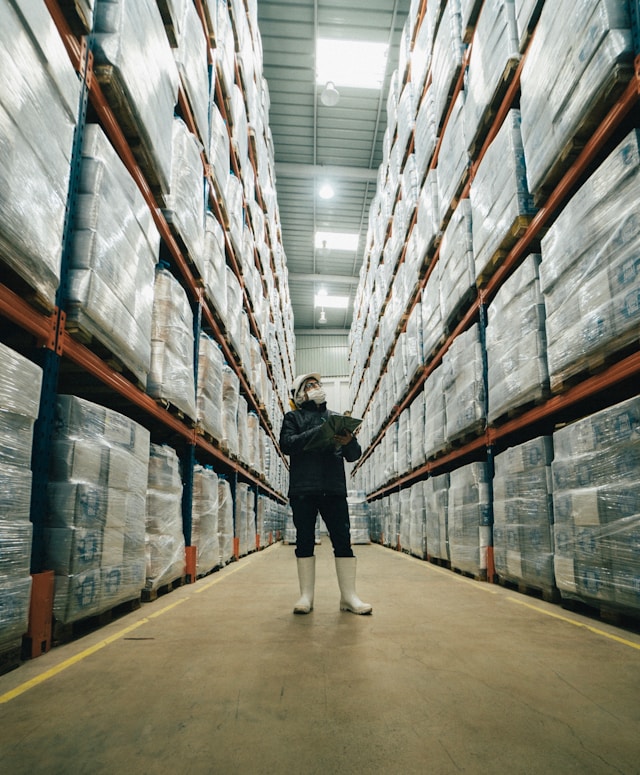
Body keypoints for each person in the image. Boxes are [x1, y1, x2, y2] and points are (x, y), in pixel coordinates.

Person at [279, 373, 372, 615]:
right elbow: (287, 444)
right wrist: (319, 432)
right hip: (304, 489)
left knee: (342, 540)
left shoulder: (336, 418)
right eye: (309, 385)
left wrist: (348, 441)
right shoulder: (293, 417)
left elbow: (354, 455)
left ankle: (349, 597)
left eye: (317, 384)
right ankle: (306, 597)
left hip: (333, 488)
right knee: (305, 540)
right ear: (299, 394)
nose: (316, 387)